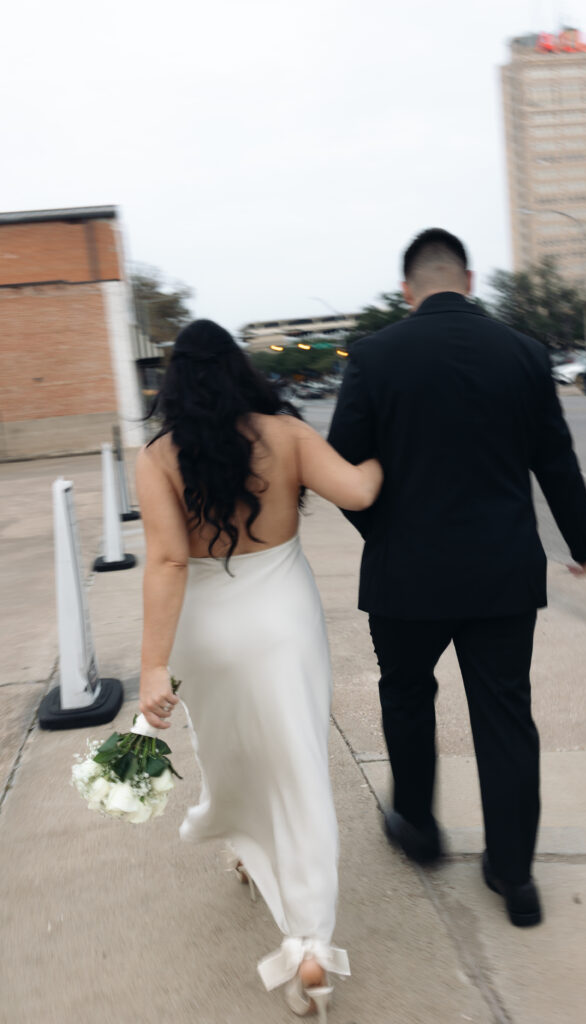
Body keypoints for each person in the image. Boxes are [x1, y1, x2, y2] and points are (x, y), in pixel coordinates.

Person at [328, 228, 586, 928]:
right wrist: (582, 541)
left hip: (404, 576)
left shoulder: (374, 357)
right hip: (501, 572)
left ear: (408, 290)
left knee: (408, 697)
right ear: (469, 280)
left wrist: (382, 532)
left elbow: (341, 470)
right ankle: (514, 876)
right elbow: (555, 462)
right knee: (505, 714)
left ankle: (417, 826)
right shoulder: (523, 354)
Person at [136, 320, 382, 1018]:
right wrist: (385, 457)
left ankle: (243, 846)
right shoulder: (286, 435)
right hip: (282, 625)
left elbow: (166, 560)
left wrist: (153, 667)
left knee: (230, 749)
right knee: (296, 765)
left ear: (173, 381)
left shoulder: (156, 456)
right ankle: (308, 945)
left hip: (205, 632)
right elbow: (358, 493)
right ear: (240, 370)